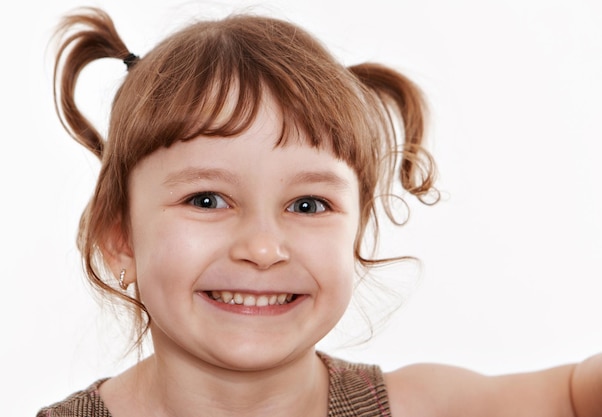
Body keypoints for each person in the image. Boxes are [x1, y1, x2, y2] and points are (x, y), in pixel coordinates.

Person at [38, 7, 601, 417]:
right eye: (207, 200)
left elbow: (577, 396)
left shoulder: (422, 408)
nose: (262, 247)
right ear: (120, 240)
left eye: (308, 204)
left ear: (357, 232)